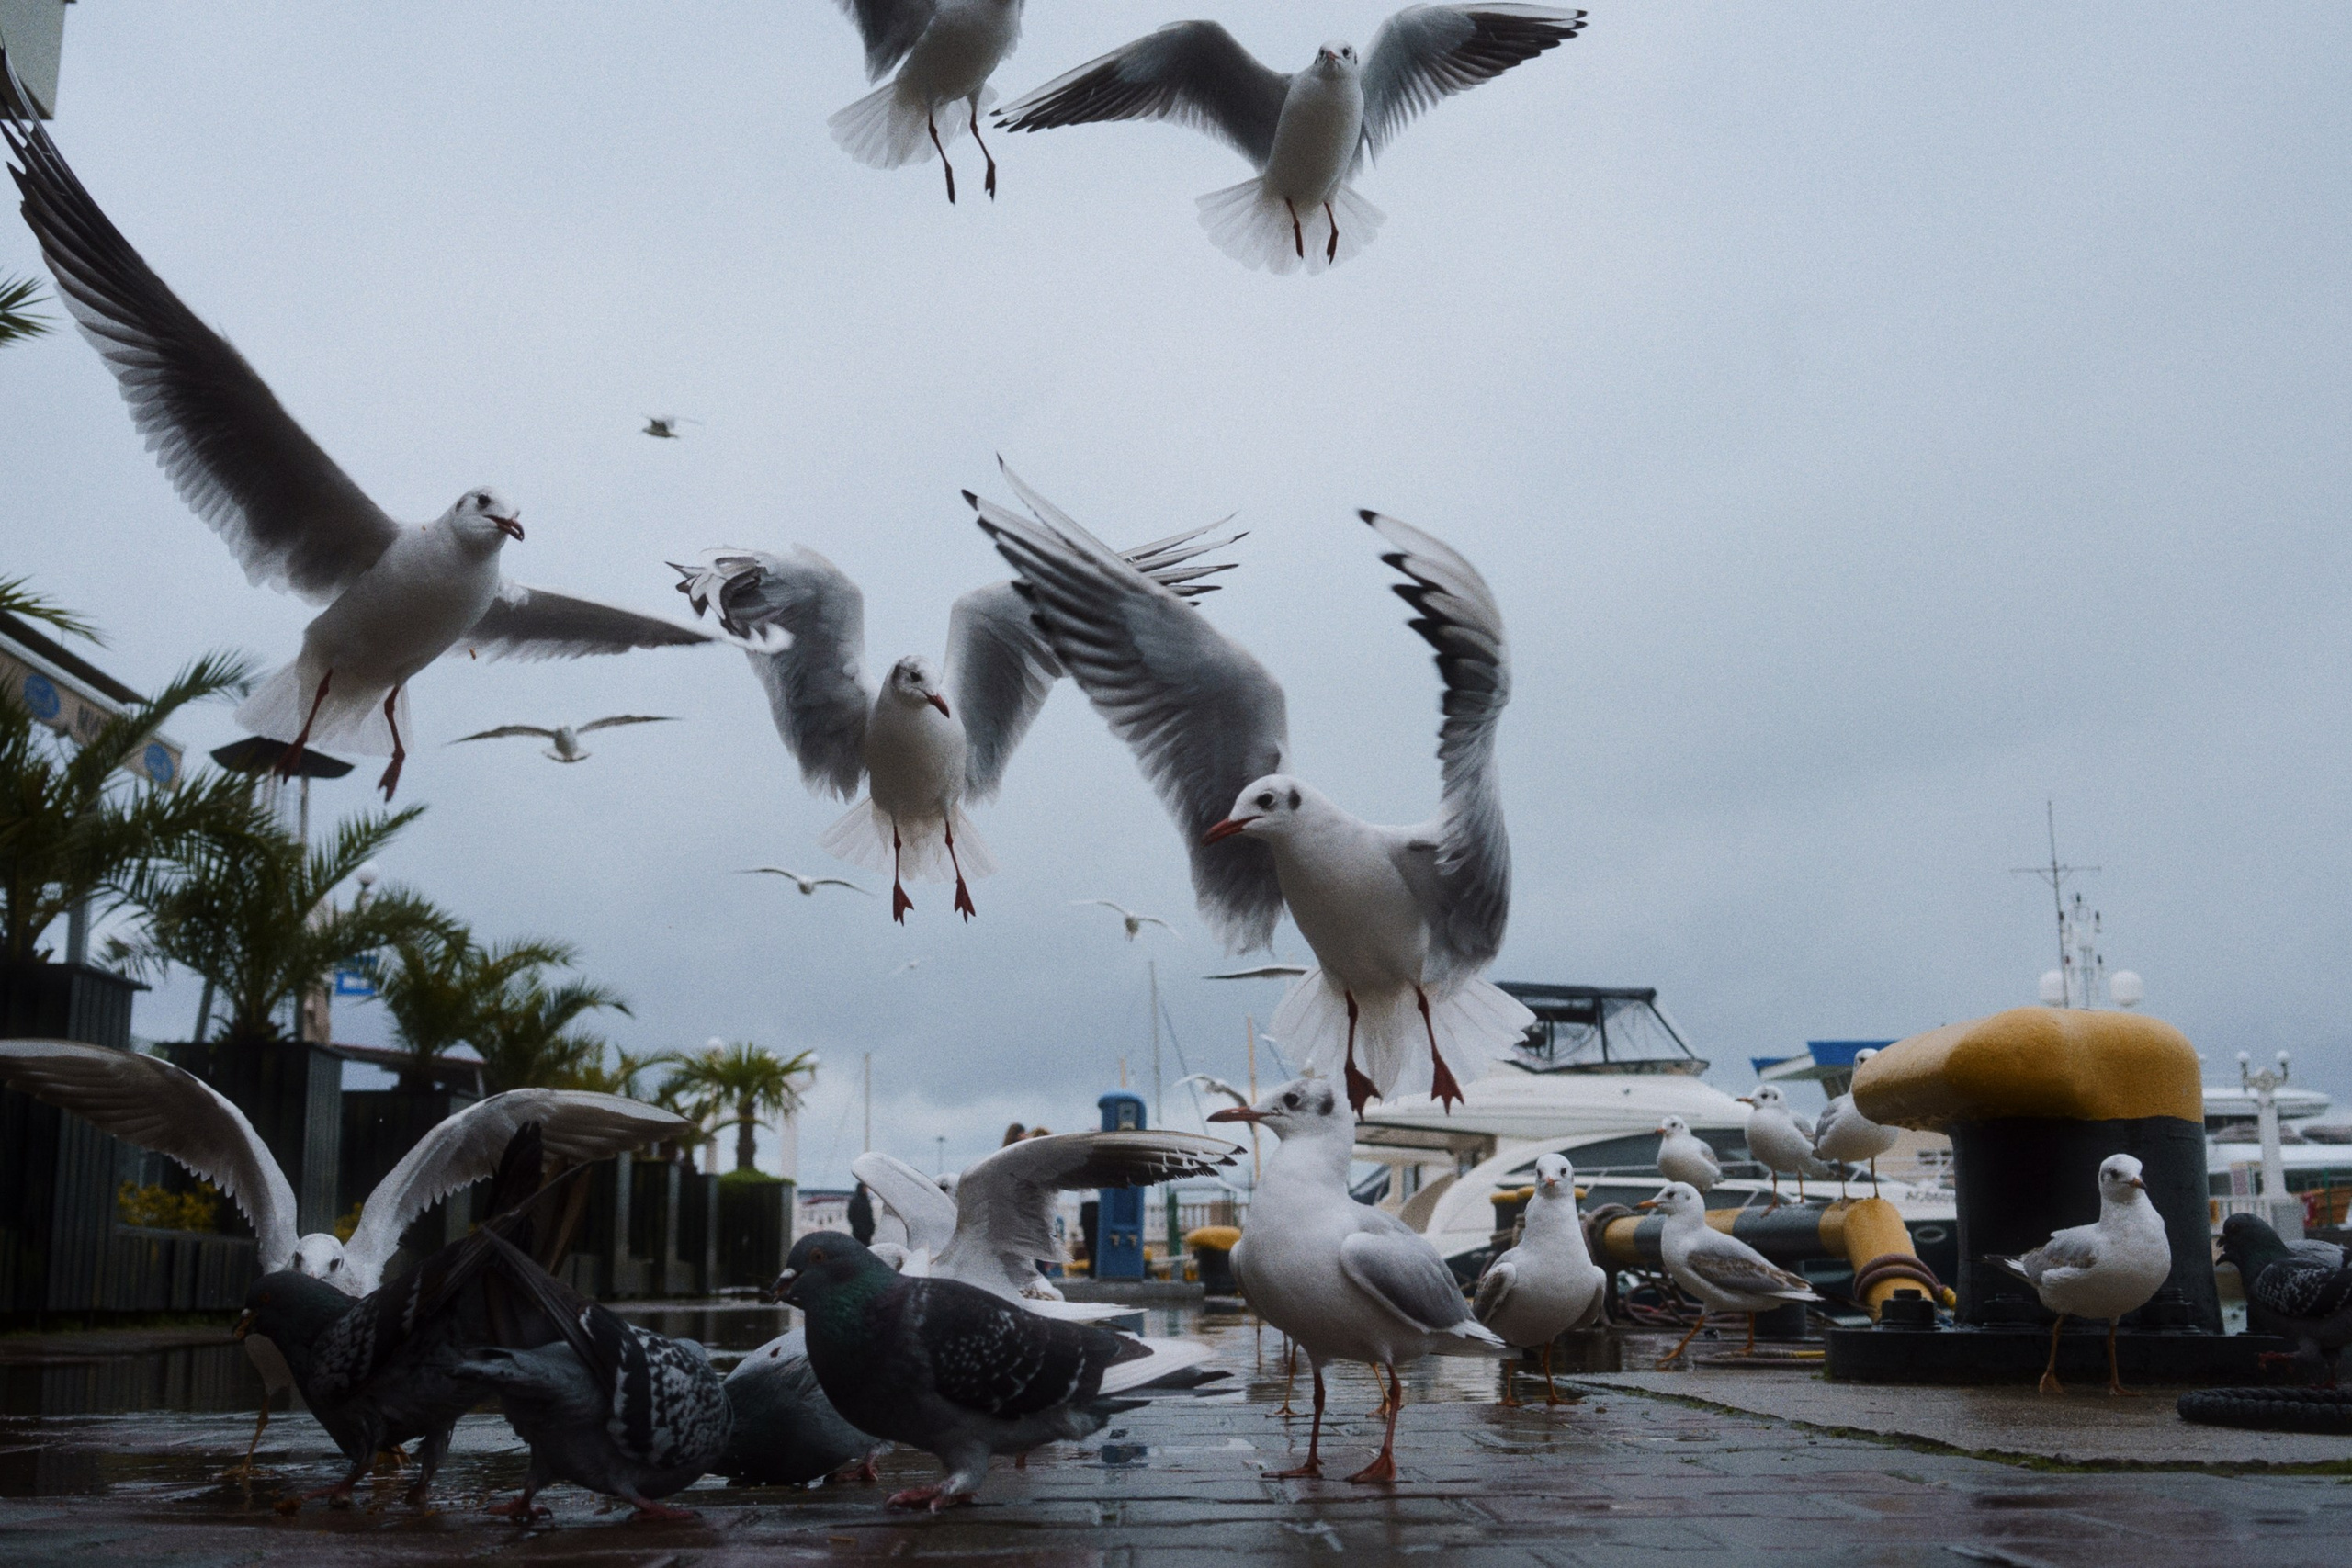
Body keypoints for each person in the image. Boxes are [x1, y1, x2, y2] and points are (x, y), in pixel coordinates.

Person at [847, 1181, 875, 1245]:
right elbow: (850, 1216)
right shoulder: (854, 1201)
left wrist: (871, 1228)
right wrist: (857, 1227)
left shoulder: (866, 1201)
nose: (867, 1190)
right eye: (865, 1188)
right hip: (858, 1232)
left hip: (868, 1233)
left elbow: (869, 1216)